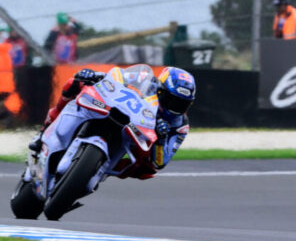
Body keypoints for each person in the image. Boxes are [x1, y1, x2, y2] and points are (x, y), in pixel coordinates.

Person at [30, 66, 196, 180]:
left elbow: (160, 162)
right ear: (160, 90)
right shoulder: (146, 80)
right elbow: (117, 77)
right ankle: (43, 132)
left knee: (147, 171)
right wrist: (95, 76)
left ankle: (101, 171)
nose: (175, 108)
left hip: (139, 143)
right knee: (75, 82)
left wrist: (160, 139)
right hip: (123, 114)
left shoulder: (180, 126)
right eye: (172, 100)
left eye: (181, 104)